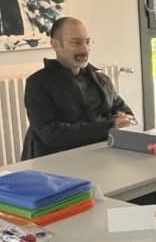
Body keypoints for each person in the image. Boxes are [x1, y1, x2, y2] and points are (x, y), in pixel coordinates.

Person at [21, 16, 137, 160]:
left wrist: (124, 122)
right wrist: (109, 126)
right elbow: (51, 134)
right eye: (76, 43)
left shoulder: (101, 80)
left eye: (88, 42)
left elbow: (127, 114)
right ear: (55, 44)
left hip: (98, 157)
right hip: (55, 164)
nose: (85, 50)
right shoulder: (38, 83)